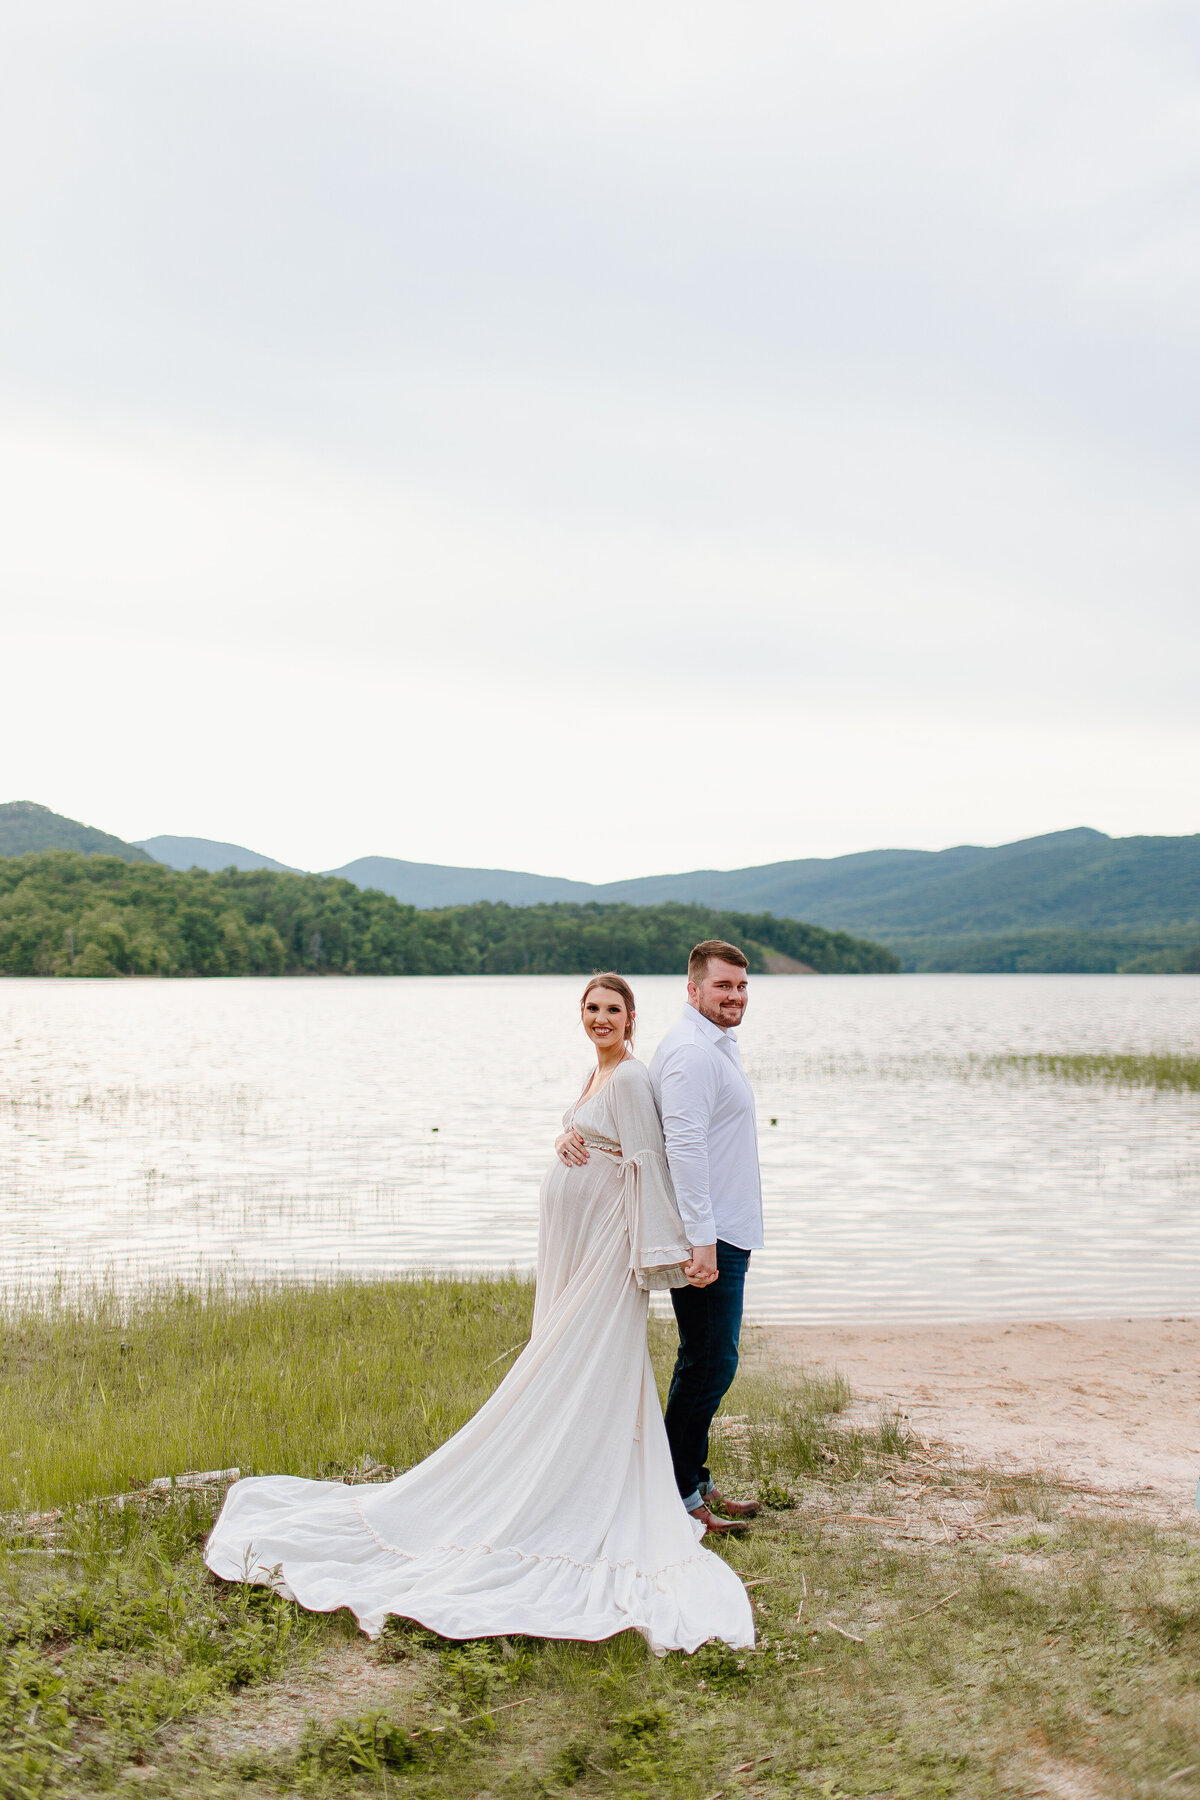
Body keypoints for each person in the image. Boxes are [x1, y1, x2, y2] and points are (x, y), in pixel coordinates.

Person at [204, 973, 753, 1657]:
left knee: (583, 1362)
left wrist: (667, 1255)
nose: (600, 1018)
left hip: (607, 1251)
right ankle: (564, 1472)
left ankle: (592, 1486)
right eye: (590, 1008)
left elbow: (647, 1161)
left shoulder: (635, 1077)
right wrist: (563, 1141)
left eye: (612, 1009)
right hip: (579, 1242)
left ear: (632, 1016)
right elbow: (593, 1136)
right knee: (560, 1362)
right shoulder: (597, 1071)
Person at [649, 940, 764, 1537]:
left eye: (741, 987)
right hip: (709, 1235)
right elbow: (684, 1150)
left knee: (707, 1360)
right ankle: (681, 1494)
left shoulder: (716, 1045)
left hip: (724, 1227)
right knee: (710, 1363)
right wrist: (702, 1240)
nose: (735, 996)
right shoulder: (692, 1053)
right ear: (693, 990)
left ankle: (691, 1477)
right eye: (723, 987)